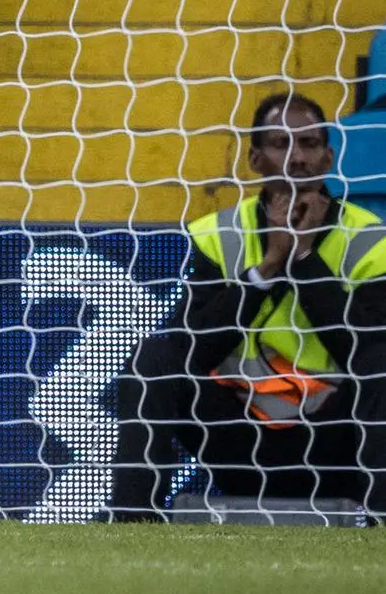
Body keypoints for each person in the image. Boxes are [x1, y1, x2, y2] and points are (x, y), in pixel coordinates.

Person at [109, 91, 386, 521]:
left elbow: (362, 354)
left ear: (328, 158)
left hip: (333, 445)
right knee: (155, 357)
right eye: (280, 143)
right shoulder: (220, 233)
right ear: (255, 158)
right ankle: (130, 522)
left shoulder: (369, 238)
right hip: (239, 440)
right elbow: (193, 352)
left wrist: (304, 257)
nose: (297, 158)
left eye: (309, 144)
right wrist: (266, 269)